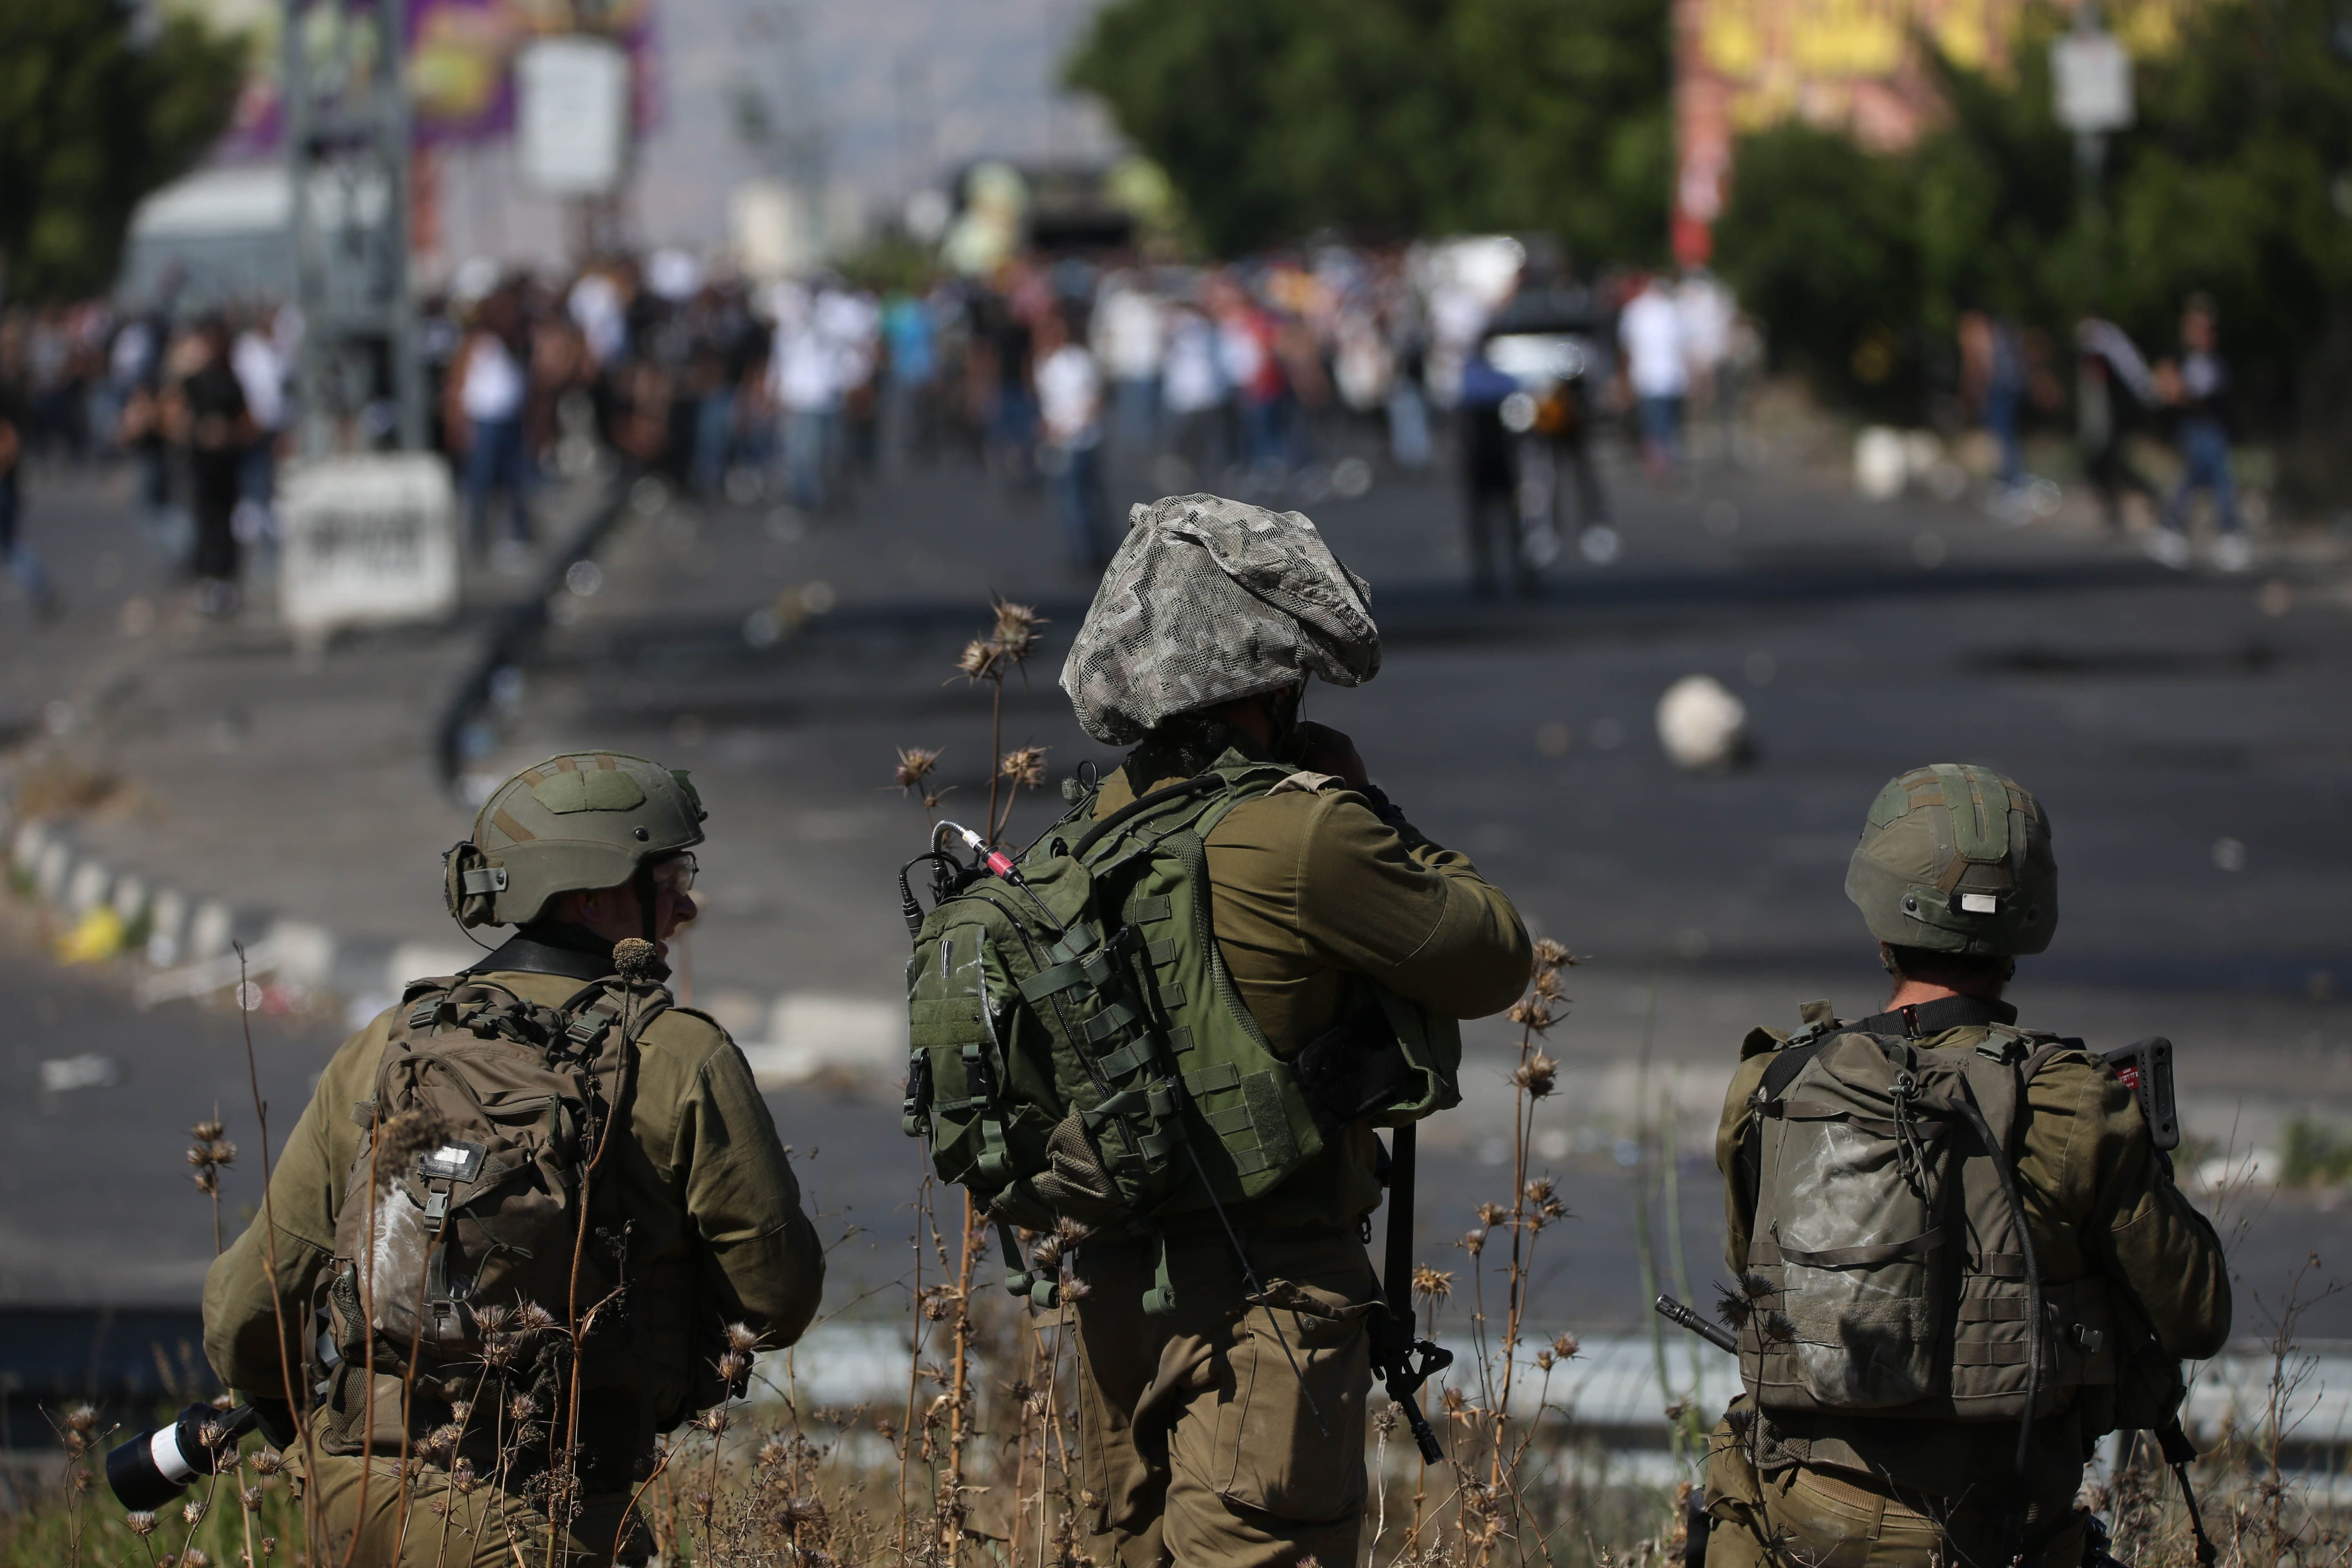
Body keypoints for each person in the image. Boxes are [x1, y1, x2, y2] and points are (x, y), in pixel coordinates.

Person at [1057, 495, 1532, 1567]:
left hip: (1120, 1289)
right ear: (1271, 685)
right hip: (1266, 1302)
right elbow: (1492, 952)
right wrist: (1371, 808)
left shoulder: (1099, 823)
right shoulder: (1309, 832)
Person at [204, 753, 825, 1566]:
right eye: (668, 877)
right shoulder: (678, 1056)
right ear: (592, 894)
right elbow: (777, 1301)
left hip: (358, 1504)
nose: (686, 903)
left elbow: (247, 1309)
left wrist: (301, 1429)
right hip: (550, 1511)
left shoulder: (389, 1043)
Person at [1699, 763, 2230, 1568]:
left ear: (1879, 915)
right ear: (2027, 924)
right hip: (1997, 1534)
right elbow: (2197, 1317)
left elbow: (1753, 1269)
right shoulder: (2075, 1104)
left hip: (1799, 1524)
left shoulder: (1774, 1085)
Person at [2154, 294, 2249, 572]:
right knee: (2214, 474)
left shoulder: (2218, 359)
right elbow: (2167, 390)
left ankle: (2173, 525)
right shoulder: (2177, 356)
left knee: (2207, 475)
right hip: (2193, 425)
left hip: (2215, 426)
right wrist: (2183, 393)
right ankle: (2226, 531)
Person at [167, 315, 255, 615]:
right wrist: (199, 430)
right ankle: (207, 579)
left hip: (227, 467)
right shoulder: (189, 385)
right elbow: (172, 421)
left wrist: (227, 434)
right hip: (200, 467)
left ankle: (226, 581)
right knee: (204, 523)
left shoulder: (231, 383)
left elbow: (249, 424)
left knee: (227, 524)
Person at [446, 288, 535, 564]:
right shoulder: (474, 342)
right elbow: (457, 384)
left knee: (516, 480)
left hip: (510, 419)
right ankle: (479, 539)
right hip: (484, 422)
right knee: (480, 482)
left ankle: (519, 534)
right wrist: (458, 424)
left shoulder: (517, 343)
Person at [1034, 307, 1110, 572]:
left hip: (1083, 440)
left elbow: (1095, 401)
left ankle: (1093, 553)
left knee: (1084, 500)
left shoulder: (1079, 360)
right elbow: (1048, 404)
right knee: (1069, 501)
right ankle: (1082, 554)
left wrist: (1070, 426)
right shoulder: (1043, 364)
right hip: (1059, 444)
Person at [2075, 317, 2162, 536]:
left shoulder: (2109, 351)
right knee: (2107, 464)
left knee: (2111, 461)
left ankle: (2138, 501)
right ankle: (2122, 508)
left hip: (2120, 415)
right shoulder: (2110, 350)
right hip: (2112, 418)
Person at [1619, 274, 1688, 484]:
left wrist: (1625, 378)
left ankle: (1660, 464)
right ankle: (1663, 464)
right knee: (1664, 423)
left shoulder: (1636, 311)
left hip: (1651, 377)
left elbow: (1626, 348)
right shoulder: (1670, 310)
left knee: (1657, 423)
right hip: (1666, 377)